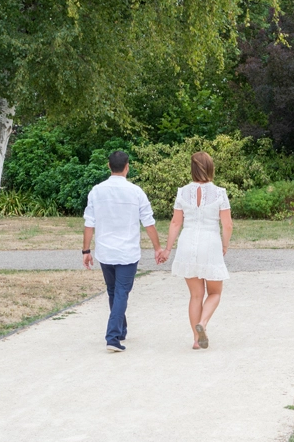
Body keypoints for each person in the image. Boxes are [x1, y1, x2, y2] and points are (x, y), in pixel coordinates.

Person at [83, 151, 164, 352]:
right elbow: (148, 222)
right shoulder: (136, 192)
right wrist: (157, 248)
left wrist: (86, 250)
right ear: (127, 166)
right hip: (127, 252)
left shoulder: (96, 191)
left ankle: (121, 329)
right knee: (121, 292)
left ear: (109, 166)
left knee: (114, 291)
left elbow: (89, 223)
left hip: (105, 251)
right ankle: (112, 337)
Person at [159, 152, 233, 350]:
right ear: (211, 168)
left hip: (187, 243)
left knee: (195, 296)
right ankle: (204, 323)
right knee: (215, 293)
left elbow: (176, 223)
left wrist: (167, 248)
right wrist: (224, 245)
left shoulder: (182, 192)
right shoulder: (220, 193)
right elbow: (227, 225)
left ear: (192, 169)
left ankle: (196, 339)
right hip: (210, 243)